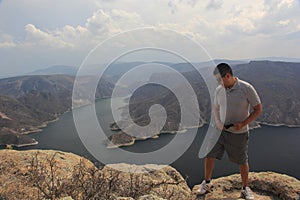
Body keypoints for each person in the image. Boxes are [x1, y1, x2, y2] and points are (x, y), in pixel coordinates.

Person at [197, 63, 262, 200]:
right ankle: (207, 183)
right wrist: (218, 122)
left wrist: (243, 123)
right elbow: (215, 108)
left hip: (239, 133)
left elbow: (258, 109)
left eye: (219, 79)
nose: (218, 83)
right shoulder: (219, 90)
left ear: (228, 75)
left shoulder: (246, 88)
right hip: (219, 130)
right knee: (209, 154)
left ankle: (245, 188)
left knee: (242, 160)